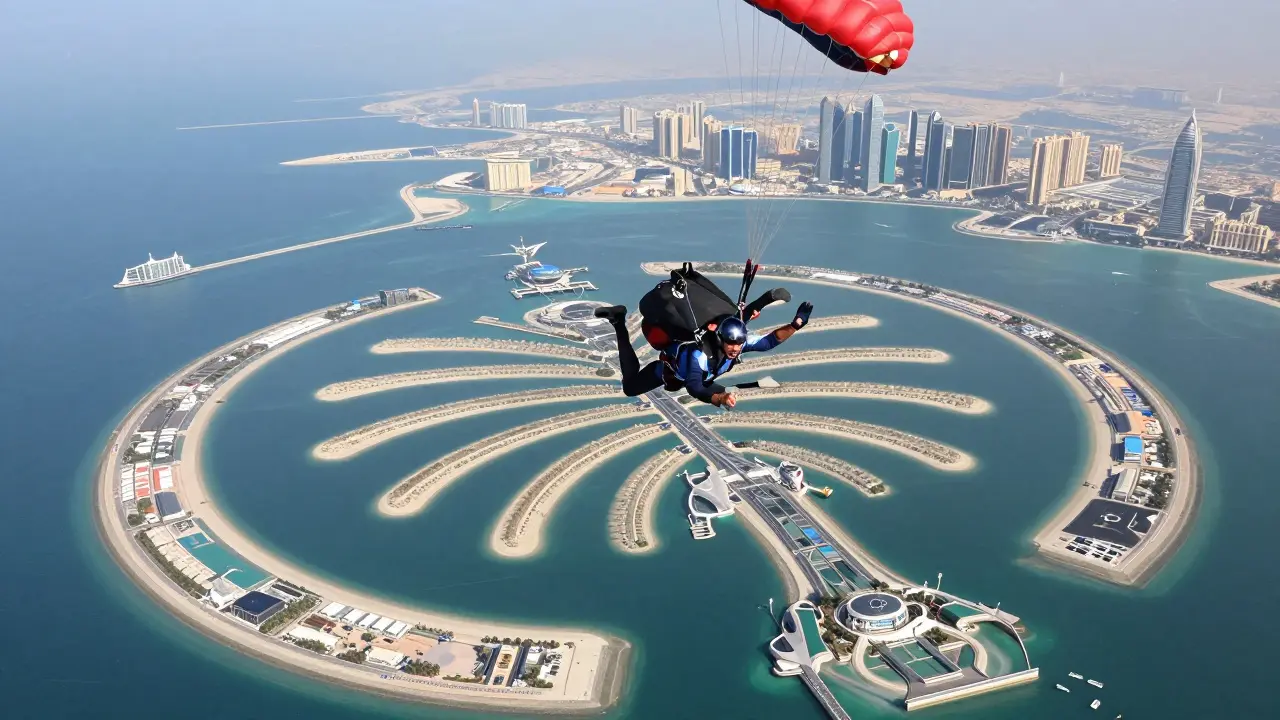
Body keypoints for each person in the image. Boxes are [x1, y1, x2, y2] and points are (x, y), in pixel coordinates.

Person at [594, 297, 814, 407]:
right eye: (730, 344)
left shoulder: (737, 343)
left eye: (739, 344)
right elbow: (695, 387)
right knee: (630, 388)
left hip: (707, 375)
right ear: (720, 339)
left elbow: (769, 342)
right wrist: (719, 398)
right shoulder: (697, 354)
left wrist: (794, 326)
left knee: (739, 323)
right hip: (669, 371)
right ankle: (619, 321)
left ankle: (762, 301)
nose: (735, 349)